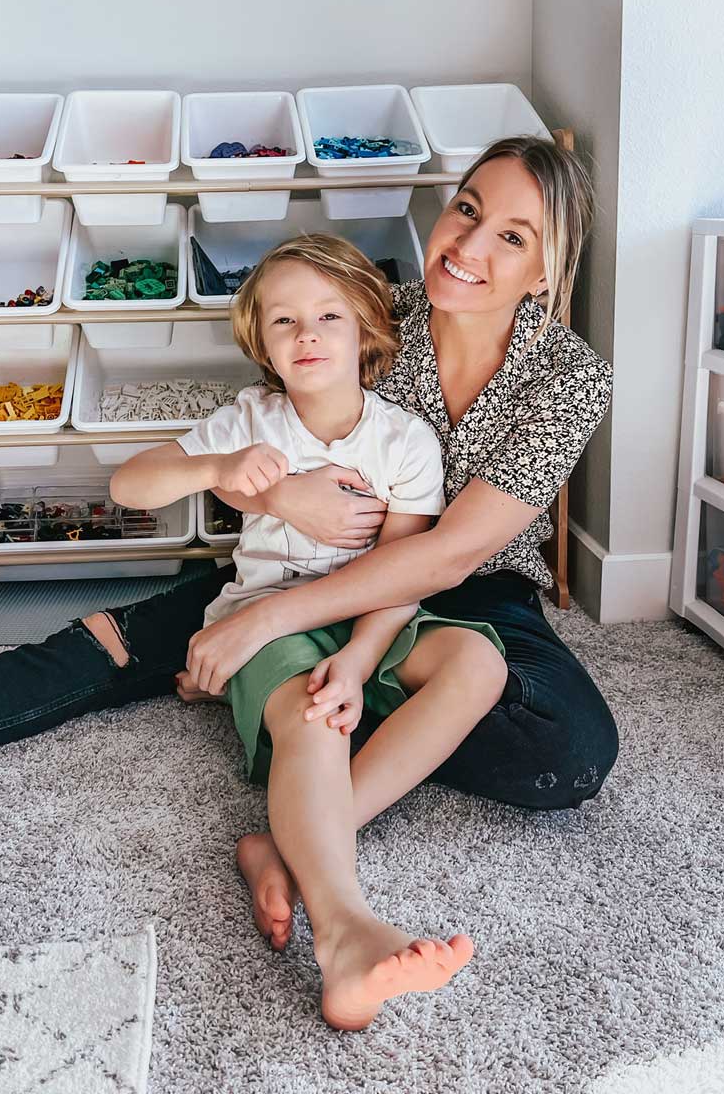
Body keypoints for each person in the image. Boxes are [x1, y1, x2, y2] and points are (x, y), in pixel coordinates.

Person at [0, 135, 616, 1003]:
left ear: (546, 269)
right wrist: (275, 509)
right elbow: (238, 441)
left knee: (569, 749)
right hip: (286, 566)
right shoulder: (369, 307)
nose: (468, 247)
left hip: (463, 594)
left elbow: (451, 551)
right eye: (467, 210)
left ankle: (297, 834)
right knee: (102, 652)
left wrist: (273, 626)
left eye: (513, 236)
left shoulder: (569, 377)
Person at [104, 234, 500, 1026]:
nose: (307, 334)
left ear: (367, 332)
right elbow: (128, 484)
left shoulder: (405, 441)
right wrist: (216, 470)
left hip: (368, 615)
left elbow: (407, 570)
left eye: (326, 316)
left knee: (479, 665)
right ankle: (346, 932)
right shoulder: (251, 421)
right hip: (267, 620)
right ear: (262, 345)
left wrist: (359, 659)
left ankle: (282, 847)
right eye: (283, 322)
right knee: (314, 719)